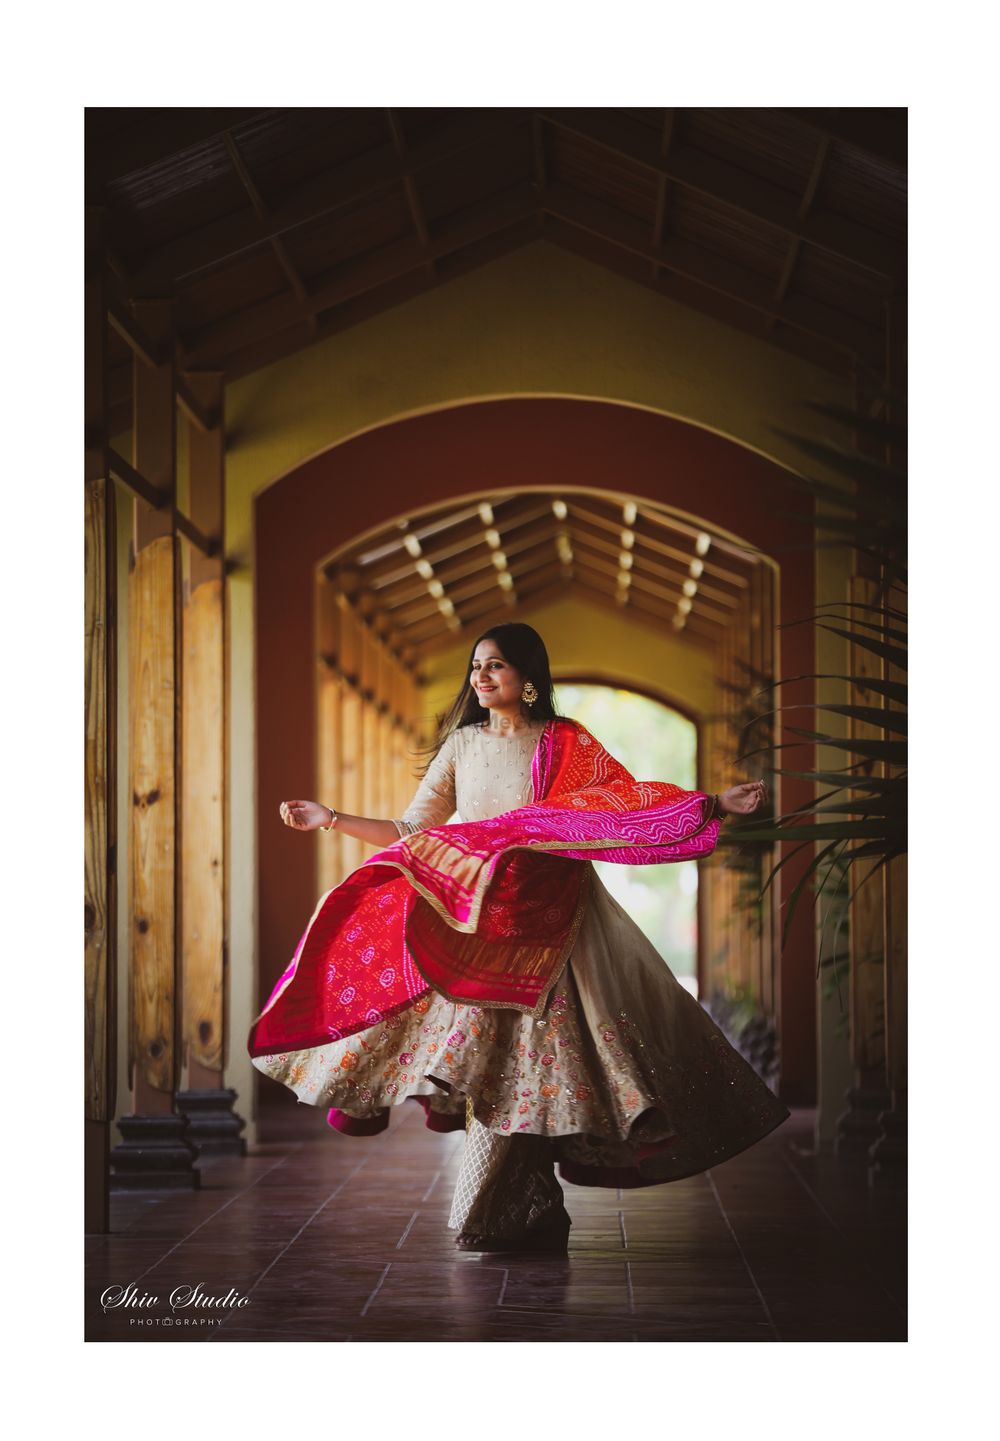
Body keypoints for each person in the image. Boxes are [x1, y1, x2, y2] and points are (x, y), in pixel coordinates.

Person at [250, 622, 790, 1255]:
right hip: (479, 928)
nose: (481, 677)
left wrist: (714, 805)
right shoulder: (461, 746)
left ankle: (509, 1203)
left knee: (544, 1062)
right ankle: (521, 1201)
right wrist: (331, 818)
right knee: (492, 1062)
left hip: (561, 924)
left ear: (529, 679)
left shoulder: (566, 743)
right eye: (476, 667)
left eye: (496, 667)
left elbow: (626, 804)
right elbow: (411, 830)